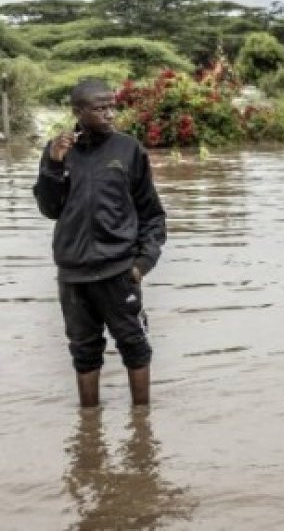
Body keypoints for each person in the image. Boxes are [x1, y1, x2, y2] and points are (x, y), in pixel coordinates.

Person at [33, 78, 167, 407]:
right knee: (83, 351)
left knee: (135, 346)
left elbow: (152, 213)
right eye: (100, 108)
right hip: (74, 275)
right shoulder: (57, 150)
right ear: (78, 111)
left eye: (112, 106)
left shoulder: (128, 149)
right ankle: (90, 425)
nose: (109, 114)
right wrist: (53, 163)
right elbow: (49, 209)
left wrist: (142, 264)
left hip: (119, 270)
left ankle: (142, 425)